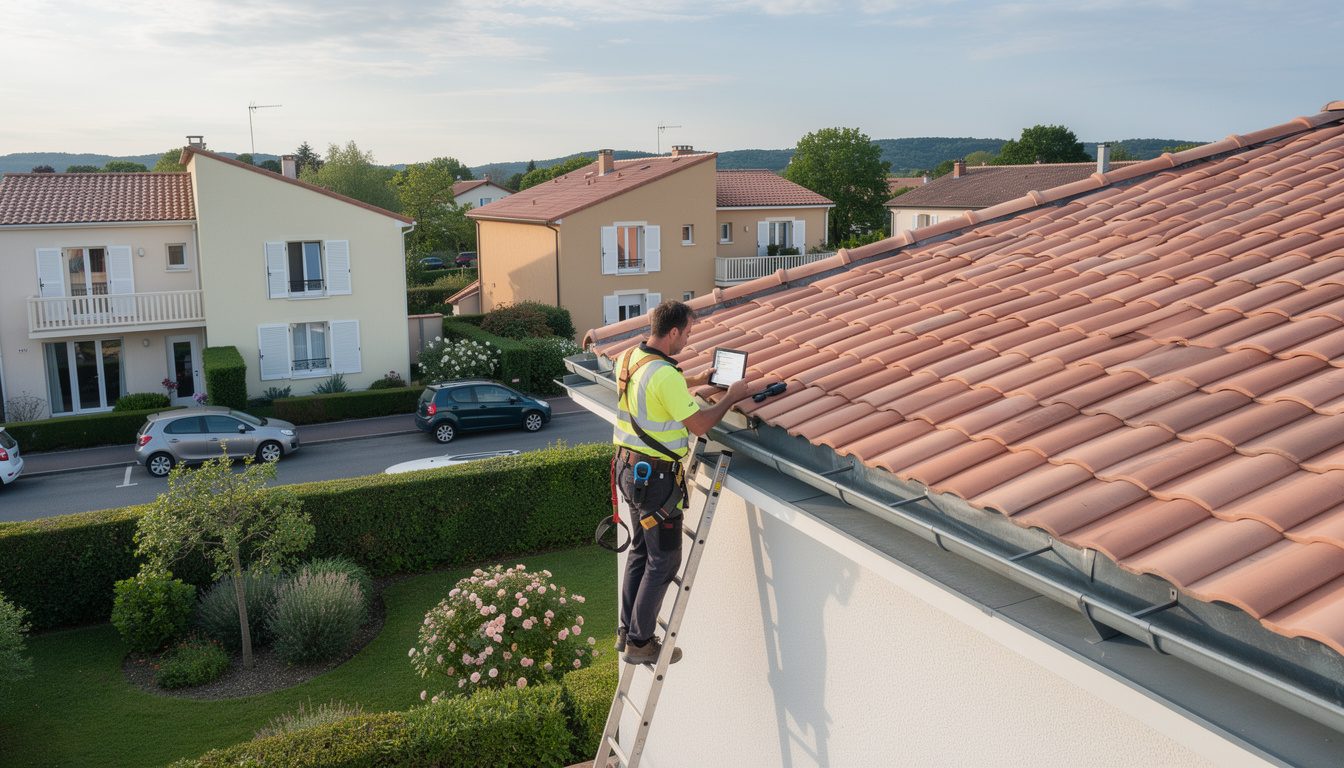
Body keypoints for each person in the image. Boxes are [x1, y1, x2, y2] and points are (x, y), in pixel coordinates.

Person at [613, 300, 752, 665]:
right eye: (687, 334)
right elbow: (700, 425)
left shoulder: (629, 358)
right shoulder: (665, 376)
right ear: (672, 332)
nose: (687, 341)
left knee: (640, 551)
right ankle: (641, 643)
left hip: (627, 470)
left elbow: (656, 387)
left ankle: (626, 631)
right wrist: (731, 397)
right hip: (655, 480)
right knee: (664, 560)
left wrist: (698, 380)